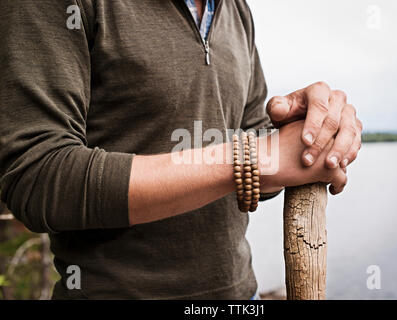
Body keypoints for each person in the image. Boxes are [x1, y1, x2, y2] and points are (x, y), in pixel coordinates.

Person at [0, 0, 362, 299]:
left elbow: (256, 158)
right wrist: (251, 158)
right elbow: (37, 175)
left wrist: (308, 136)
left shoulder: (236, 10)